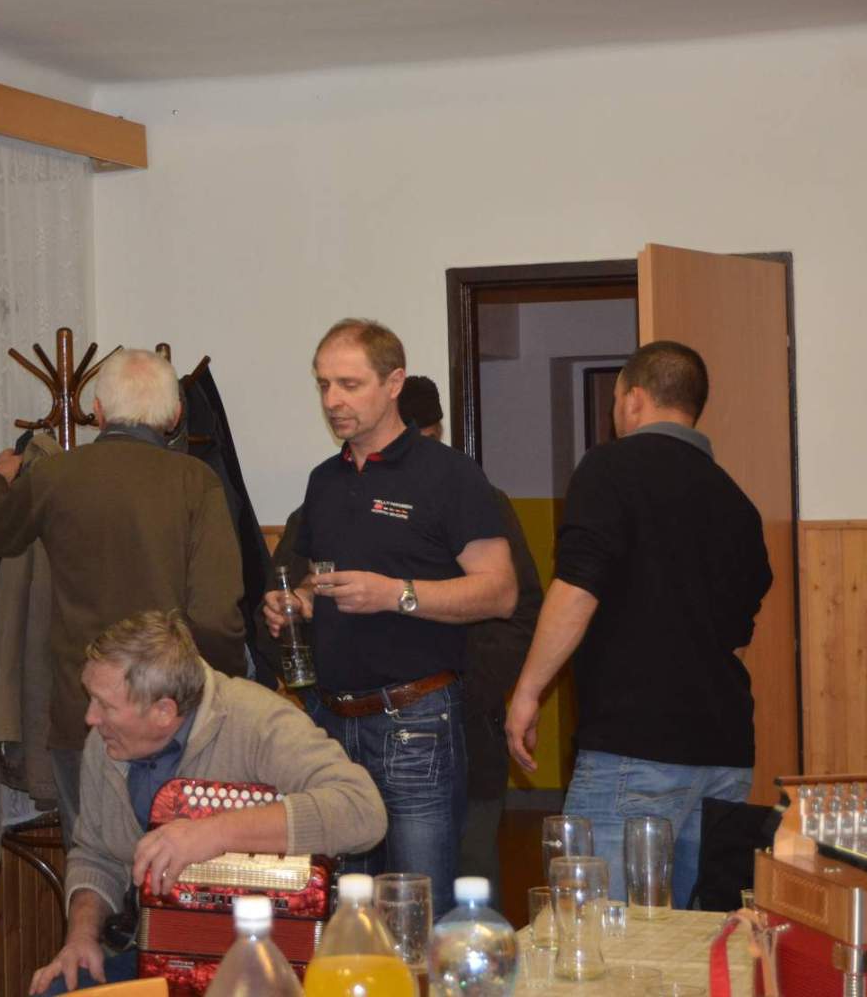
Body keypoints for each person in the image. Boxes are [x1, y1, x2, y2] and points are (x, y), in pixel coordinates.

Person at [262, 319, 515, 916]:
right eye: (323, 384)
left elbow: (500, 592)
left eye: (349, 385)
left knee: (416, 912)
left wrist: (395, 594)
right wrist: (299, 602)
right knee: (346, 915)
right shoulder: (324, 481)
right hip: (331, 722)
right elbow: (319, 578)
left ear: (394, 382)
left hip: (416, 723)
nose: (332, 400)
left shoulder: (448, 474)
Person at [506, 341, 771, 908]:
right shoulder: (738, 503)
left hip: (635, 749)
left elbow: (577, 590)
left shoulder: (610, 468)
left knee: (597, 930)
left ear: (632, 398)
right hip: (726, 754)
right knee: (701, 934)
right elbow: (737, 636)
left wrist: (528, 692)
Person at [29, 611, 387, 994]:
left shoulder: (258, 720)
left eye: (105, 705)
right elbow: (95, 854)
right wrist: (81, 938)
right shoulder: (106, 744)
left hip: (271, 967)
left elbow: (362, 810)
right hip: (158, 953)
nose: (90, 718)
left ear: (164, 712)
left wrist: (214, 834)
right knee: (58, 990)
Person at [0, 348, 247, 844]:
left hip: (85, 713)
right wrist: (219, 693)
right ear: (174, 415)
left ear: (98, 412)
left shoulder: (54, 476)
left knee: (92, 868)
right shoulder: (196, 483)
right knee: (173, 870)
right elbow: (216, 616)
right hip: (171, 715)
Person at [396, 374, 543, 899]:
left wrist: (470, 690)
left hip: (468, 732)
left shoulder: (482, 501)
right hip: (375, 738)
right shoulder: (347, 498)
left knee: (471, 882)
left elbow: (523, 607)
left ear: (438, 434)